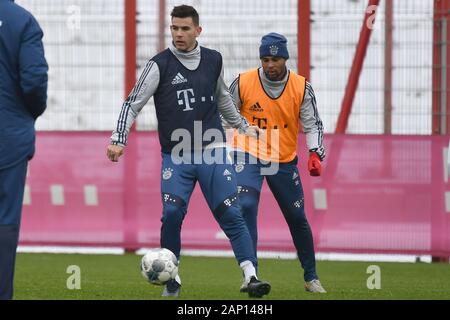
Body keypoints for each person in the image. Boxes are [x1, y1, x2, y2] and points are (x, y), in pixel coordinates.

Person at [107, 5, 270, 298]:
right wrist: (119, 138)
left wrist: (243, 127)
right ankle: (172, 279)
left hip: (213, 151)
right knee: (171, 213)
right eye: (174, 28)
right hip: (177, 155)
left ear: (198, 30)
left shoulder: (213, 60)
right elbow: (132, 103)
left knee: (232, 212)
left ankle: (251, 277)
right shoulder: (159, 65)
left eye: (184, 28)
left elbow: (223, 100)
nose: (178, 34)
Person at [226, 32, 327, 293]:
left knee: (296, 217)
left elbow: (313, 123)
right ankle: (251, 276)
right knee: (246, 205)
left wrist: (315, 152)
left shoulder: (301, 87)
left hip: (282, 158)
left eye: (276, 59)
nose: (270, 64)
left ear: (285, 59)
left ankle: (311, 276)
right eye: (266, 59)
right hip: (247, 153)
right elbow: (225, 111)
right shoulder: (243, 82)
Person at [0, 0, 48, 300]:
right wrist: (29, 114)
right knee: (4, 219)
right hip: (8, 137)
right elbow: (34, 82)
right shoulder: (22, 21)